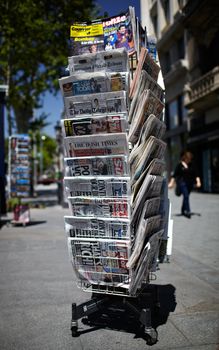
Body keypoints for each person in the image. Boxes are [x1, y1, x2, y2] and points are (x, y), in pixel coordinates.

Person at [168, 151, 201, 218]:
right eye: (188, 159)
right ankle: (188, 211)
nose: (189, 160)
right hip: (182, 183)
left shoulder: (192, 165)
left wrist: (198, 182)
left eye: (190, 159)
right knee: (186, 196)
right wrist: (171, 183)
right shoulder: (179, 165)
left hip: (190, 184)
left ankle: (183, 210)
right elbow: (175, 175)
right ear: (185, 158)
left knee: (186, 196)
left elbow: (196, 174)